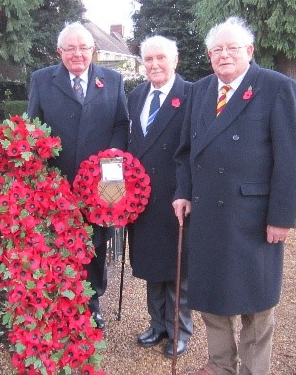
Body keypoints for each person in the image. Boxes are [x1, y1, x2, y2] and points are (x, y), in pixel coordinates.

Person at [172, 16, 296, 375]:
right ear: (208, 55)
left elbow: (292, 158)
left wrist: (281, 216)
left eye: (232, 48)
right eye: (217, 49)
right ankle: (220, 367)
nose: (224, 55)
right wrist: (183, 192)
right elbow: (184, 151)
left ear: (249, 51)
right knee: (211, 299)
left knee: (257, 303)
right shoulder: (199, 90)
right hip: (207, 215)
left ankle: (252, 370)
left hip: (253, 217)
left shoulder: (276, 87)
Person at [27, 21, 129, 330]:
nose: (77, 54)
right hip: (55, 184)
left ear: (93, 50)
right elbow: (33, 126)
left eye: (84, 48)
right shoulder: (42, 80)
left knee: (96, 244)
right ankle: (59, 303)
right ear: (59, 51)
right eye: (70, 48)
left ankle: (92, 302)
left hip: (100, 184)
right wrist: (40, 173)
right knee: (57, 244)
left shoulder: (113, 80)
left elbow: (121, 125)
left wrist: (110, 164)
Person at [127, 35, 193, 357]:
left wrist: (186, 191)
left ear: (174, 60)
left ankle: (179, 329)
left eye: (160, 58)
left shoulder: (190, 94)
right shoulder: (136, 95)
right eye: (148, 59)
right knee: (151, 263)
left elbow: (193, 151)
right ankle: (157, 324)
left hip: (174, 196)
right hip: (141, 198)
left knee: (176, 266)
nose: (154, 64)